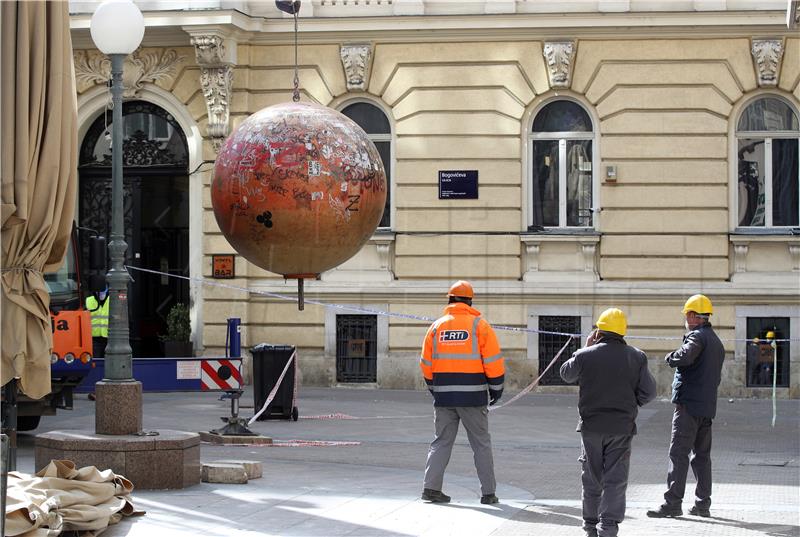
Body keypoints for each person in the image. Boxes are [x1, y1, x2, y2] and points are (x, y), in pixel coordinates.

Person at [560, 308, 656, 537]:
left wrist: (584, 348)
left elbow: (566, 374)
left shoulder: (586, 355)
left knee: (591, 477)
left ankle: (590, 526)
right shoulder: (637, 356)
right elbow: (649, 392)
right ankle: (609, 528)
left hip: (591, 428)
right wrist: (633, 403)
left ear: (599, 331)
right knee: (616, 479)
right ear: (622, 332)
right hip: (622, 428)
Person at [419, 280, 504, 505]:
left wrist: (434, 388)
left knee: (441, 442)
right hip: (473, 397)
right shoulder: (479, 326)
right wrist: (496, 388)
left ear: (449, 300)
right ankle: (488, 494)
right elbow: (493, 361)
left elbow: (426, 363)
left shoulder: (436, 327)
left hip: (444, 397)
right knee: (481, 444)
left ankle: (430, 489)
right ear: (470, 301)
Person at [647, 294, 725, 519]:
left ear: (692, 316)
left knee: (678, 453)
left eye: (687, 314)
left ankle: (672, 503)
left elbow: (685, 356)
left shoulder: (697, 337)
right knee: (702, 456)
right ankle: (703, 504)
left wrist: (671, 357)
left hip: (689, 406)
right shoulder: (716, 341)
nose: (686, 318)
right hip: (707, 407)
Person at [85, 285, 109, 358]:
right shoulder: (88, 300)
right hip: (94, 338)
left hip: (109, 338)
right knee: (96, 359)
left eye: (103, 291)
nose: (101, 294)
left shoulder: (113, 300)